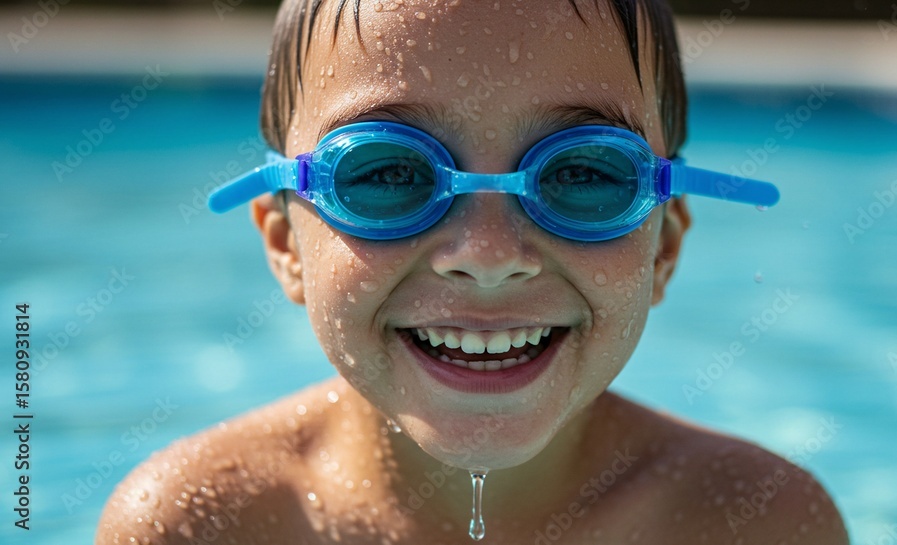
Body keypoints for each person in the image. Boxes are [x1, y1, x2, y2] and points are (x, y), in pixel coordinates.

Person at [98, 1, 848, 543]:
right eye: (387, 173)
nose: (487, 254)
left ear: (665, 244)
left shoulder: (756, 523)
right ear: (286, 241)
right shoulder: (200, 525)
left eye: (585, 173)